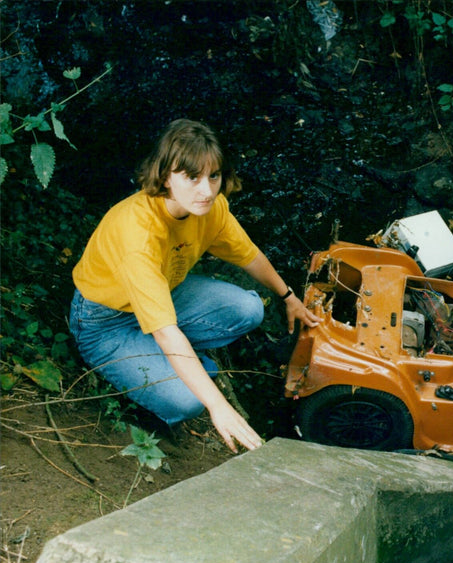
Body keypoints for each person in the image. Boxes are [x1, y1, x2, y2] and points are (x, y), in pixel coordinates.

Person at [69, 119, 321, 453]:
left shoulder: (210, 209)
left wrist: (287, 296)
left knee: (248, 308)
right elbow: (167, 332)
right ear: (164, 177)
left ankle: (169, 362)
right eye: (192, 177)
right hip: (105, 323)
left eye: (213, 175)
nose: (206, 190)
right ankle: (128, 368)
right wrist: (219, 407)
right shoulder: (137, 234)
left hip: (167, 294)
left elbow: (248, 256)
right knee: (190, 402)